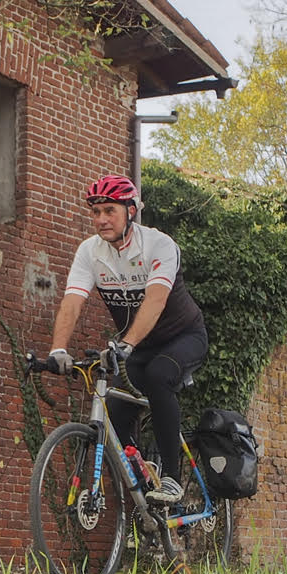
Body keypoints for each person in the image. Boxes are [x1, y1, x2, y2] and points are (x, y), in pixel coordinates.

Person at [48, 174, 207, 505]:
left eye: (110, 210)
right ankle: (144, 483)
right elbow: (72, 302)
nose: (101, 219)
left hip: (183, 337)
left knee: (159, 375)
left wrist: (127, 345)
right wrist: (58, 349)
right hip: (137, 346)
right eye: (96, 212)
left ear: (131, 211)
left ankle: (172, 479)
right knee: (116, 411)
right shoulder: (90, 252)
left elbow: (155, 300)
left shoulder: (158, 245)